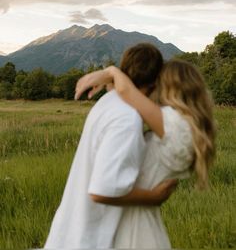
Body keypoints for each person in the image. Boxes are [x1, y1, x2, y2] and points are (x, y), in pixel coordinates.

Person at [44, 43, 177, 249]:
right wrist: (154, 197)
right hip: (89, 240)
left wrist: (110, 73)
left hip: (69, 233)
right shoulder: (127, 119)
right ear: (155, 82)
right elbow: (102, 190)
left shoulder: (109, 101)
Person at [74, 59, 216, 248]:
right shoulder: (186, 127)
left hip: (136, 232)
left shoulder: (177, 126)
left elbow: (127, 92)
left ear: (169, 87)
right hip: (135, 223)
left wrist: (112, 72)